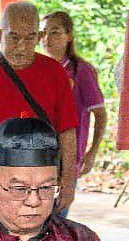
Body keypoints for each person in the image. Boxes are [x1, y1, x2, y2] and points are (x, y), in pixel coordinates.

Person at [0, 1, 78, 210]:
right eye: (13, 37)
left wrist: (68, 179)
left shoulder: (55, 73)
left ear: (38, 38)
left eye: (29, 38)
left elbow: (67, 131)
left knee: (38, 238)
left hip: (41, 172)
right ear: (0, 35)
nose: (21, 46)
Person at [42, 10, 107, 176]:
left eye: (55, 32)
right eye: (43, 33)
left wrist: (92, 152)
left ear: (69, 36)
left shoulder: (81, 71)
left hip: (68, 156)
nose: (47, 39)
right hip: (38, 155)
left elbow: (100, 114)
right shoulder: (39, 69)